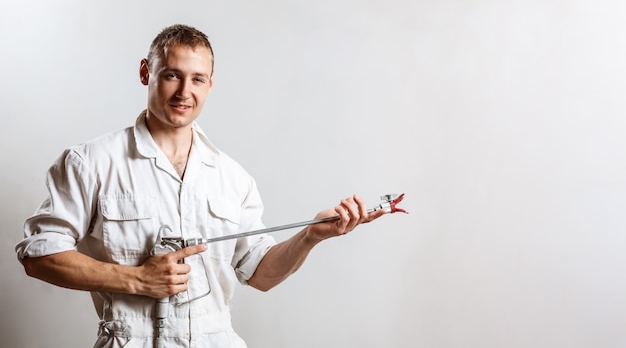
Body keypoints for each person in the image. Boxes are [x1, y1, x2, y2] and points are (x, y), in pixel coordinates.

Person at [15, 24, 385, 348]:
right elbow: (39, 255)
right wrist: (138, 279)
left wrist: (310, 236)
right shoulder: (91, 162)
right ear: (146, 73)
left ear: (210, 85)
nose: (184, 93)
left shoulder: (232, 177)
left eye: (197, 79)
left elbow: (258, 274)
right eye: (172, 75)